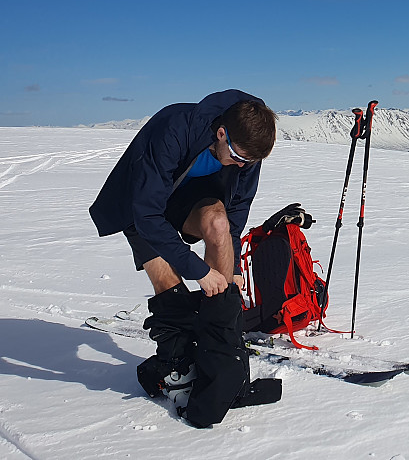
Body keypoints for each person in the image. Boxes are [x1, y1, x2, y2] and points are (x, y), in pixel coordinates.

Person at [89, 89, 278, 427]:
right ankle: (178, 370)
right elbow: (147, 216)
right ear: (221, 133)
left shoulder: (245, 151)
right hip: (140, 203)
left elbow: (235, 212)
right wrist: (198, 270)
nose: (241, 165)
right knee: (168, 279)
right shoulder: (175, 128)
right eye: (237, 156)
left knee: (219, 224)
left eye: (248, 161)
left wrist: (230, 270)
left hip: (189, 198)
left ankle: (223, 361)